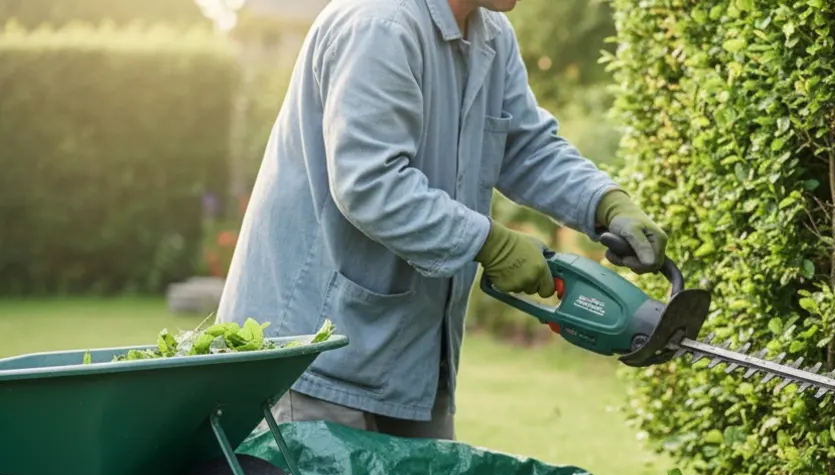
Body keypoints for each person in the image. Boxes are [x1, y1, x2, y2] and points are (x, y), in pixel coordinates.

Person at [217, 0, 667, 441]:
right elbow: (370, 183)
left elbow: (527, 148)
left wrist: (606, 203)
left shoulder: (490, 34)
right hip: (310, 357)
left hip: (411, 362)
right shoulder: (380, 23)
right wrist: (490, 244)